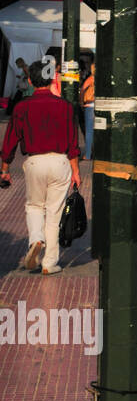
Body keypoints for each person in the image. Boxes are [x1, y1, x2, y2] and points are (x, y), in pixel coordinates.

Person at [1, 70, 82, 274]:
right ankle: (49, 263)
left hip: (35, 162)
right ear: (52, 80)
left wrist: (5, 168)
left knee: (34, 206)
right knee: (54, 214)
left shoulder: (22, 106)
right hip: (60, 162)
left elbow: (10, 138)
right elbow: (72, 142)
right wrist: (76, 171)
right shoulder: (65, 107)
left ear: (30, 80)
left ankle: (36, 238)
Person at [80, 54, 95, 162]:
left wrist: (81, 101)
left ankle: (88, 155)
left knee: (89, 131)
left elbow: (83, 90)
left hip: (90, 106)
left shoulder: (91, 78)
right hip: (99, 105)